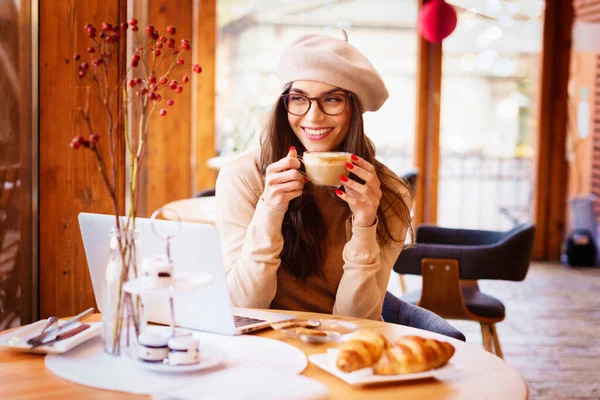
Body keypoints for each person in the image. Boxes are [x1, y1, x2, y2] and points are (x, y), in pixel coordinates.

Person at [215, 31, 413, 322]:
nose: (313, 117)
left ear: (354, 111)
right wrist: (270, 210)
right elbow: (242, 306)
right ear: (285, 105)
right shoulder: (244, 176)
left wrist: (364, 224)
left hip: (341, 348)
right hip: (263, 344)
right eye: (298, 98)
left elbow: (358, 321)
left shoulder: (389, 192)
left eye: (332, 99)